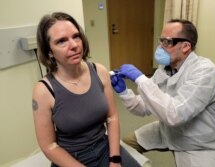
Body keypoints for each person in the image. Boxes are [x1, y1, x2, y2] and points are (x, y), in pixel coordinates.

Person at [111, 19, 215, 167]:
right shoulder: (165, 69)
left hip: (200, 143)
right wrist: (124, 92)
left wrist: (141, 79)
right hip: (169, 131)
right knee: (125, 147)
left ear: (186, 46)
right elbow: (143, 107)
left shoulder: (205, 72)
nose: (160, 47)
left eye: (167, 42)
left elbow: (175, 114)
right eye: (161, 41)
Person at [32, 12, 141, 167]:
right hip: (71, 159)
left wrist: (115, 160)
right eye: (62, 41)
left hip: (104, 148)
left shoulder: (100, 71)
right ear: (49, 51)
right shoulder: (43, 91)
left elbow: (112, 117)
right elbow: (49, 146)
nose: (74, 45)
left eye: (76, 36)